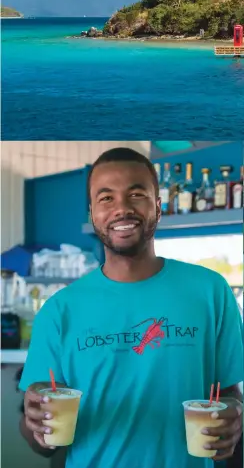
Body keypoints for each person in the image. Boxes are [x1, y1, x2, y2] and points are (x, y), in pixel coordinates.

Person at [19, 148, 243, 468]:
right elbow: (42, 446)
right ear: (92, 214)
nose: (122, 208)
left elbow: (229, 394)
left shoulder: (211, 291)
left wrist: (236, 420)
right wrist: (36, 421)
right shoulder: (58, 310)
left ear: (159, 206)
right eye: (106, 198)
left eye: (136, 194)